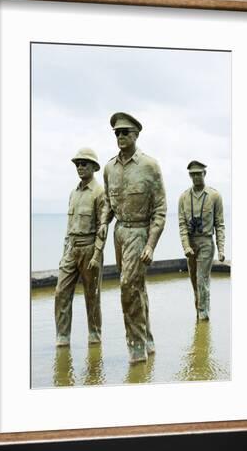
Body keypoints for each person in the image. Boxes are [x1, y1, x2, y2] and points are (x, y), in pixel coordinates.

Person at [100, 112, 166, 363]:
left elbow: (160, 210)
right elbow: (108, 201)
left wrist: (151, 245)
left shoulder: (150, 166)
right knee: (136, 288)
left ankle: (137, 349)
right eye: (117, 133)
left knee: (128, 287)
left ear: (136, 135)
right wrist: (103, 224)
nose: (120, 136)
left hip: (140, 233)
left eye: (125, 132)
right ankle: (148, 341)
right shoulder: (108, 168)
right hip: (119, 234)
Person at [54, 148, 105, 347]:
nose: (80, 167)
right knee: (61, 291)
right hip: (71, 249)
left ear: (93, 166)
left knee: (92, 295)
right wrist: (64, 252)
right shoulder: (73, 194)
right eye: (77, 164)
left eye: (84, 163)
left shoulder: (100, 193)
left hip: (90, 249)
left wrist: (97, 253)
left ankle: (94, 335)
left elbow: (103, 227)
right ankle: (62, 337)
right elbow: (69, 228)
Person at [178, 160, 225, 321]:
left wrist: (221, 249)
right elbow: (182, 225)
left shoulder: (214, 196)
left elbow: (220, 224)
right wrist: (185, 246)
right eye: (193, 174)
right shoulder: (183, 197)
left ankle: (203, 316)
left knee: (202, 278)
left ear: (205, 174)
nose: (196, 177)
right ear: (190, 176)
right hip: (191, 243)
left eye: (199, 173)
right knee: (194, 281)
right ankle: (200, 310)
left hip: (206, 241)